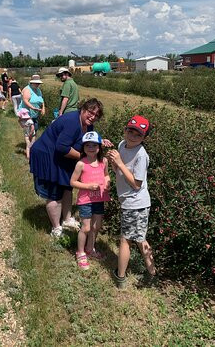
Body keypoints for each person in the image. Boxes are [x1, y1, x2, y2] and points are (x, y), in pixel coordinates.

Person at [30, 98, 113, 238]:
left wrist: (100, 141)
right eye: (90, 112)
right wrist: (83, 156)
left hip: (62, 157)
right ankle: (56, 228)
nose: (92, 117)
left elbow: (87, 140)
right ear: (83, 109)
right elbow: (62, 147)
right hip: (48, 156)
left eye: (96, 116)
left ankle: (67, 219)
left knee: (67, 187)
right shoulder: (72, 122)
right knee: (54, 192)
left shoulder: (88, 125)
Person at [108, 115, 156, 288]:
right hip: (131, 202)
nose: (132, 136)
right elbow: (118, 171)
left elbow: (136, 184)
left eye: (138, 134)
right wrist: (113, 162)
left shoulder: (141, 155)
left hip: (136, 203)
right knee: (140, 238)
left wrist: (120, 163)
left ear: (144, 138)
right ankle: (152, 274)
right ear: (125, 130)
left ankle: (120, 277)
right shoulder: (122, 144)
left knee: (125, 240)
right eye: (130, 131)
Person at [70, 131, 110, 270]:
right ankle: (80, 252)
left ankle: (90, 248)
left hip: (99, 198)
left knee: (96, 226)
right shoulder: (81, 164)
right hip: (85, 199)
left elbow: (106, 175)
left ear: (99, 147)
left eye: (94, 145)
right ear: (83, 147)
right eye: (88, 145)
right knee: (86, 227)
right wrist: (87, 186)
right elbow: (73, 182)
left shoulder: (103, 161)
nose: (91, 147)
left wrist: (107, 182)